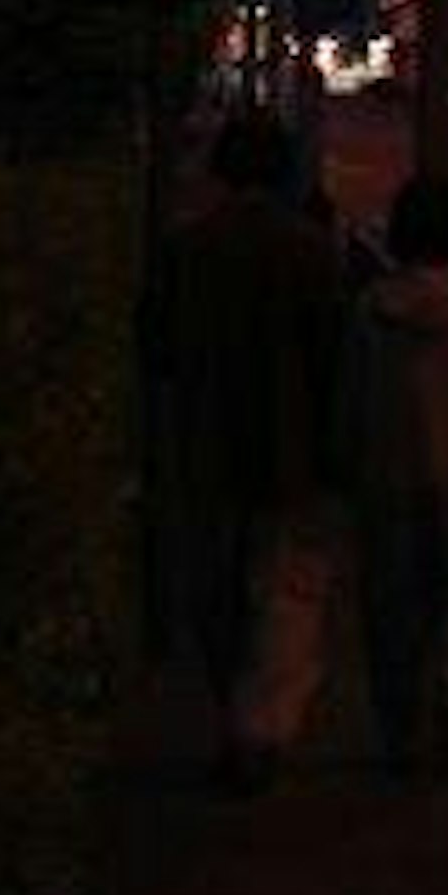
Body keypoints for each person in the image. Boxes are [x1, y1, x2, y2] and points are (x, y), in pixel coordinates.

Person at [152, 103, 352, 793]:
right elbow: (333, 360)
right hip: (291, 449)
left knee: (216, 598)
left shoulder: (188, 249)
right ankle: (259, 728)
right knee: (283, 598)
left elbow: (158, 352)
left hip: (206, 446)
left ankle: (236, 725)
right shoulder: (312, 251)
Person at [335, 170, 448, 775]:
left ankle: (402, 732)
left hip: (388, 481)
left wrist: (348, 466)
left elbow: (353, 400)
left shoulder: (370, 311)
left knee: (392, 614)